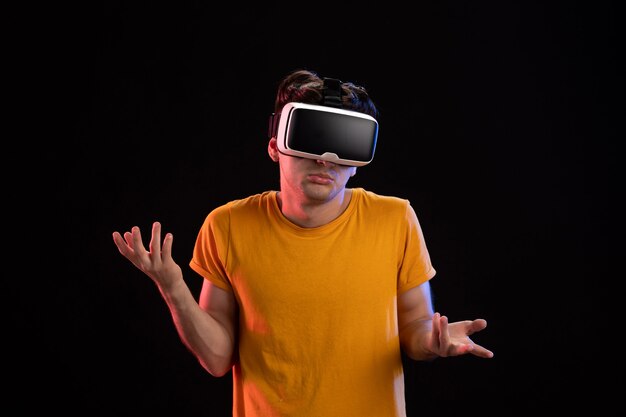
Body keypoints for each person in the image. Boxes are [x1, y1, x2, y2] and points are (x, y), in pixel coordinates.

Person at [112, 69, 494, 417]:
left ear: (358, 159)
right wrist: (173, 287)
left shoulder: (395, 219)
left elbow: (415, 326)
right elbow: (216, 359)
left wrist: (434, 340)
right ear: (275, 146)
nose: (325, 160)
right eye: (311, 139)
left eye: (343, 144)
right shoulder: (227, 225)